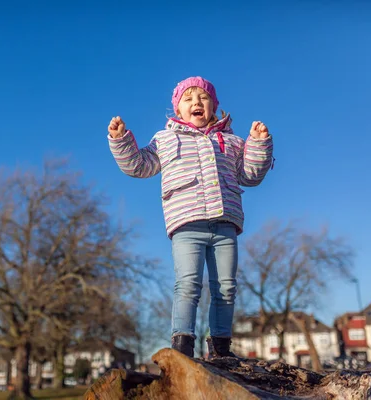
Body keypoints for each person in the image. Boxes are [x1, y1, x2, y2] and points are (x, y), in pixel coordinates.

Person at [107, 76, 274, 358]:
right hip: (186, 223)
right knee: (188, 284)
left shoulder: (231, 141)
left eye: (203, 98)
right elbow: (139, 165)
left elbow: (249, 176)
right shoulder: (166, 139)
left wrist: (258, 145)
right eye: (189, 99)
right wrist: (120, 140)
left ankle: (221, 347)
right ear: (178, 109)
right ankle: (182, 345)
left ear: (214, 106)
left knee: (225, 287)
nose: (196, 103)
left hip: (226, 224)